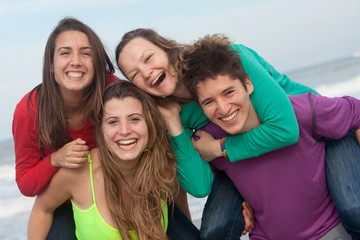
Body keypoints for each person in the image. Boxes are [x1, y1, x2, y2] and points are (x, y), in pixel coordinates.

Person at [114, 28, 359, 239]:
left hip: (312, 131)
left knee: (353, 207)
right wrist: (173, 123)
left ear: (166, 49)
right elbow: (200, 186)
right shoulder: (169, 112)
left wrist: (220, 147)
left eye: (148, 58)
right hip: (239, 157)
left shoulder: (224, 60)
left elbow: (284, 128)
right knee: (214, 229)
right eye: (134, 74)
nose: (145, 72)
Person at [28, 80, 200, 240]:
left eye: (134, 119)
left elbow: (184, 221)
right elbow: (42, 209)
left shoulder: (163, 167)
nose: (124, 131)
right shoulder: (79, 172)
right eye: (112, 122)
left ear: (149, 122)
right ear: (101, 128)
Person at [12, 17, 118, 239]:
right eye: (65, 52)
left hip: (117, 186)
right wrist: (55, 160)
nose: (76, 61)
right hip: (64, 199)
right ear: (51, 64)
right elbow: (26, 184)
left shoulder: (113, 90)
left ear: (97, 62)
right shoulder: (30, 111)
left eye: (86, 53)